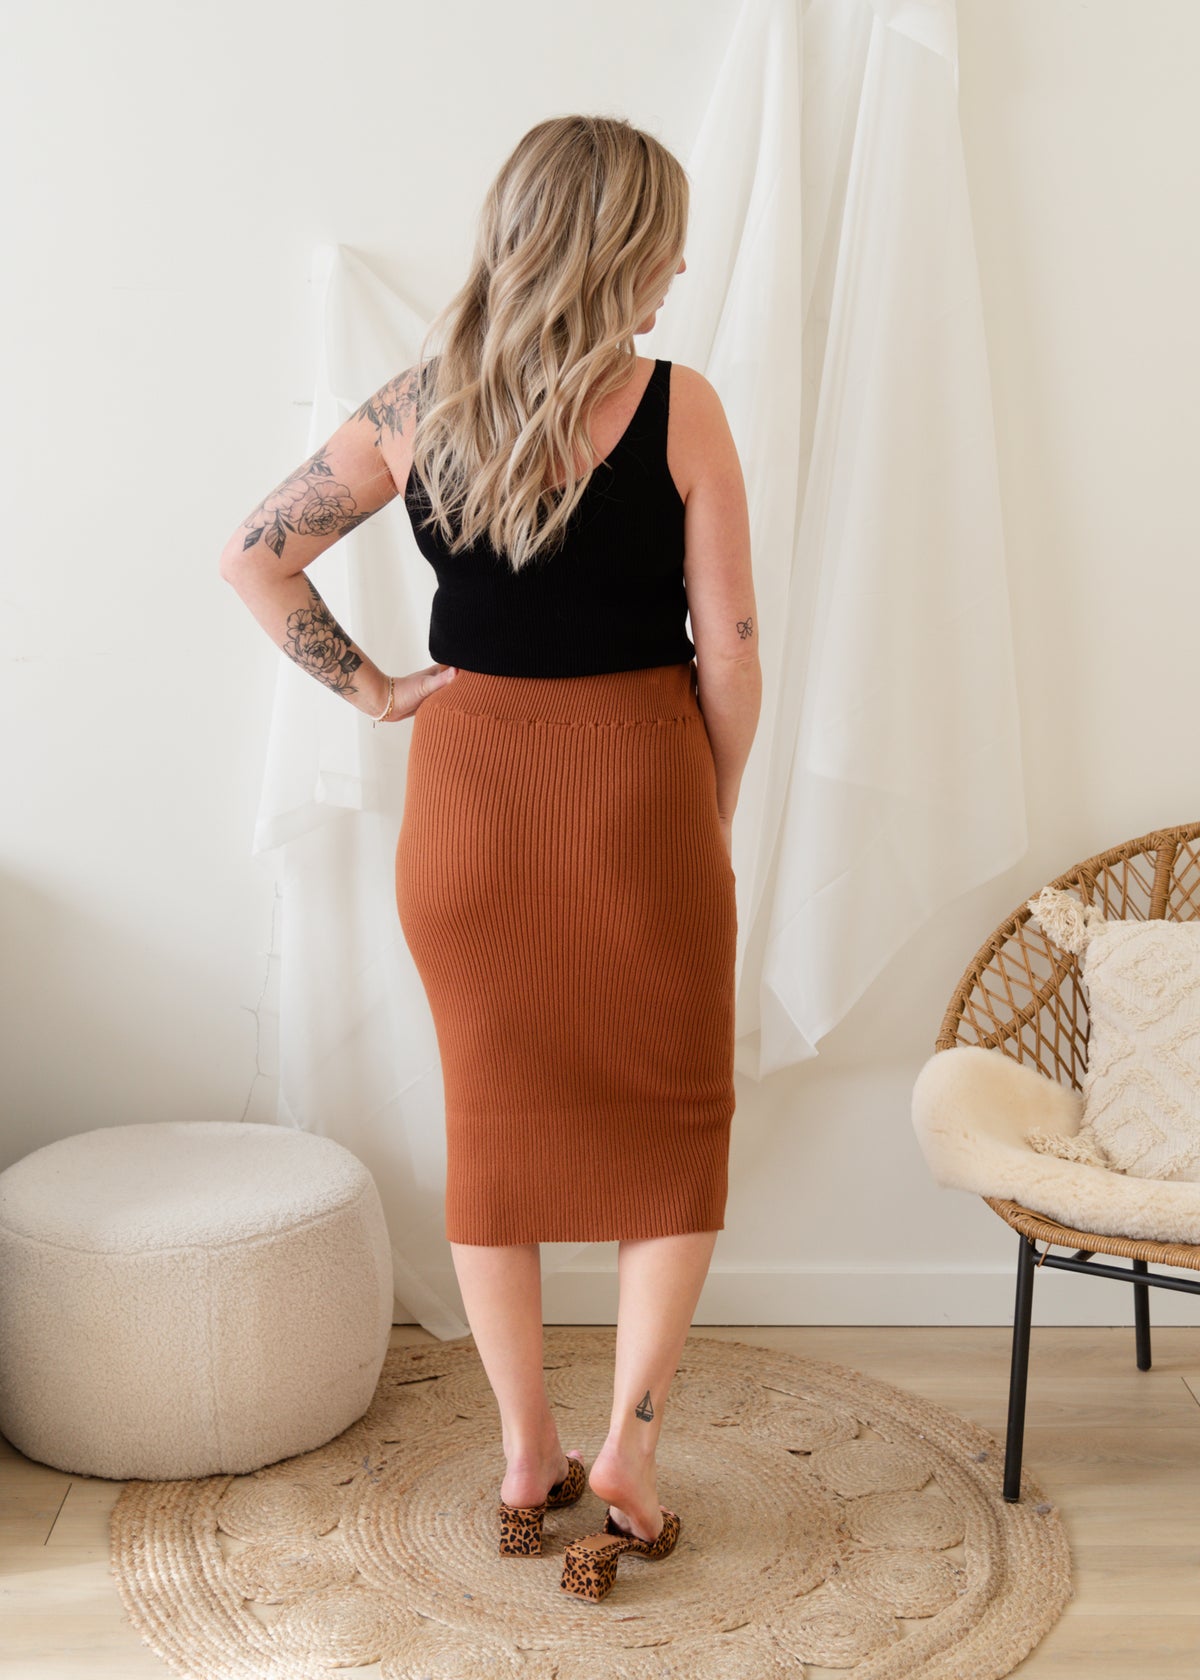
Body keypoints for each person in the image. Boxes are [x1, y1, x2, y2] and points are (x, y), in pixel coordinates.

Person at [219, 113, 760, 1601]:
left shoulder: (415, 405)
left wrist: (381, 693)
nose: (680, 268)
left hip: (467, 810)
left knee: (495, 1136)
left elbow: (256, 552)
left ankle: (528, 1458)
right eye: (666, 242)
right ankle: (628, 1455)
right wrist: (701, 809)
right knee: (674, 1127)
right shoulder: (680, 407)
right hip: (639, 793)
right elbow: (731, 650)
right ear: (616, 249)